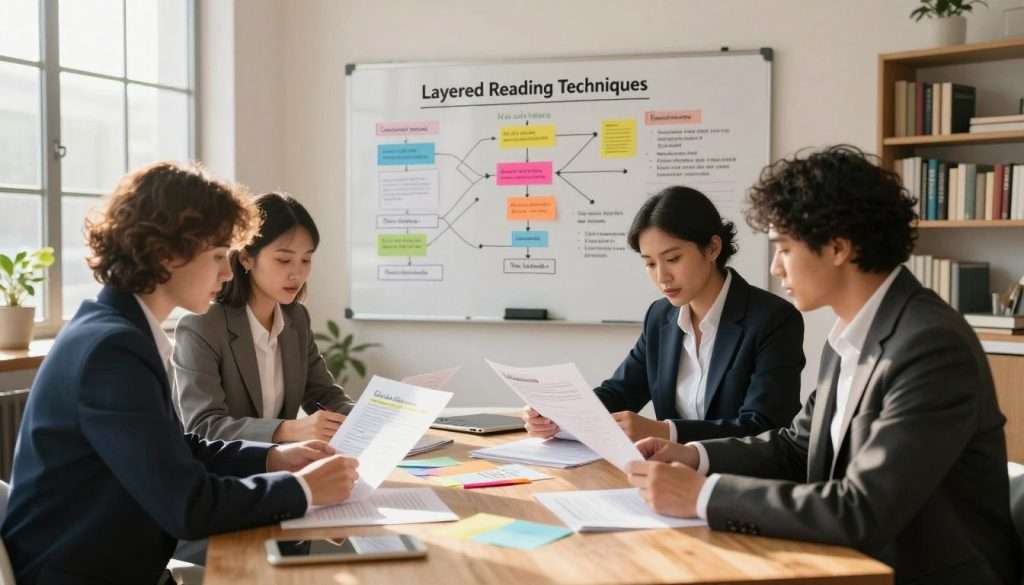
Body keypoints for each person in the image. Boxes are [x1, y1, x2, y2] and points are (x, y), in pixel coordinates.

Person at [626, 146, 1021, 585]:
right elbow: (797, 448)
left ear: (837, 247)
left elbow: (863, 508)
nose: (776, 268)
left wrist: (704, 495)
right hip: (846, 564)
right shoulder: (849, 334)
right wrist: (694, 455)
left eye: (784, 249)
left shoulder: (930, 346)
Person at [0, 162, 359, 585]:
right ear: (167, 254)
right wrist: (304, 489)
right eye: (218, 256)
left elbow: (172, 447)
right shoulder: (111, 350)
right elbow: (187, 506)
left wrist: (271, 457)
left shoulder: (120, 329)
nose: (228, 273)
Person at [524, 186, 805, 443]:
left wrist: (666, 432)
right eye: (649, 264)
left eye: (673, 259)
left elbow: (764, 427)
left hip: (736, 478)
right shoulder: (660, 316)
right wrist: (559, 414)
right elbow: (620, 392)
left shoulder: (772, 319)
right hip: (668, 473)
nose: (662, 277)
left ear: (713, 248)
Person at [173, 192, 354, 443]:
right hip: (224, 467)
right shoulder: (202, 326)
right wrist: (288, 430)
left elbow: (324, 395)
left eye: (306, 259)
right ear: (246, 258)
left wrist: (375, 418)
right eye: (284, 260)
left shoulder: (296, 318)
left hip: (285, 462)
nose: (297, 273)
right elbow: (203, 426)